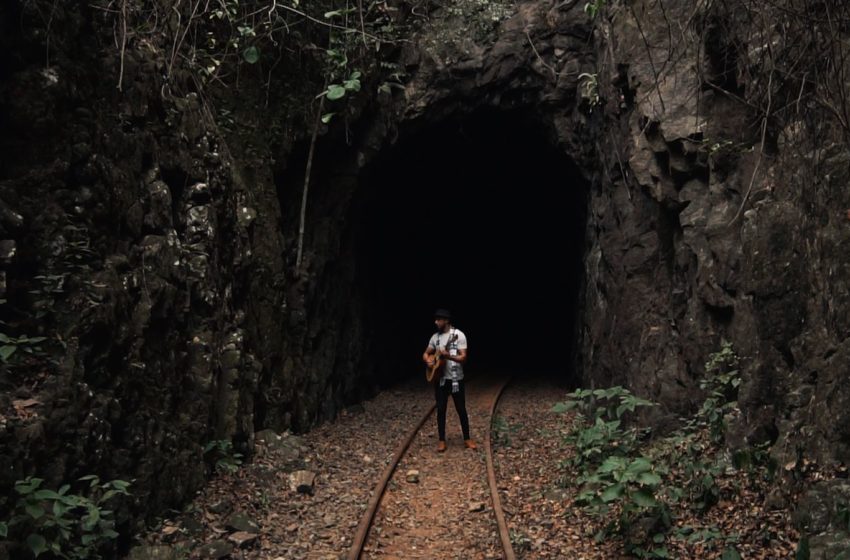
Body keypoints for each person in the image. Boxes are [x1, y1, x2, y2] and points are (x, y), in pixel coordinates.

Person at [422, 308, 476, 452]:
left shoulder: (458, 335)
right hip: (441, 380)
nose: (435, 321)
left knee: (461, 409)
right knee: (441, 409)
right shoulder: (435, 338)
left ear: (446, 320)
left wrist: (448, 356)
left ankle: (467, 438)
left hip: (456, 379)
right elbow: (426, 353)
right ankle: (441, 440)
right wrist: (428, 360)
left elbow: (463, 358)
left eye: (438, 319)